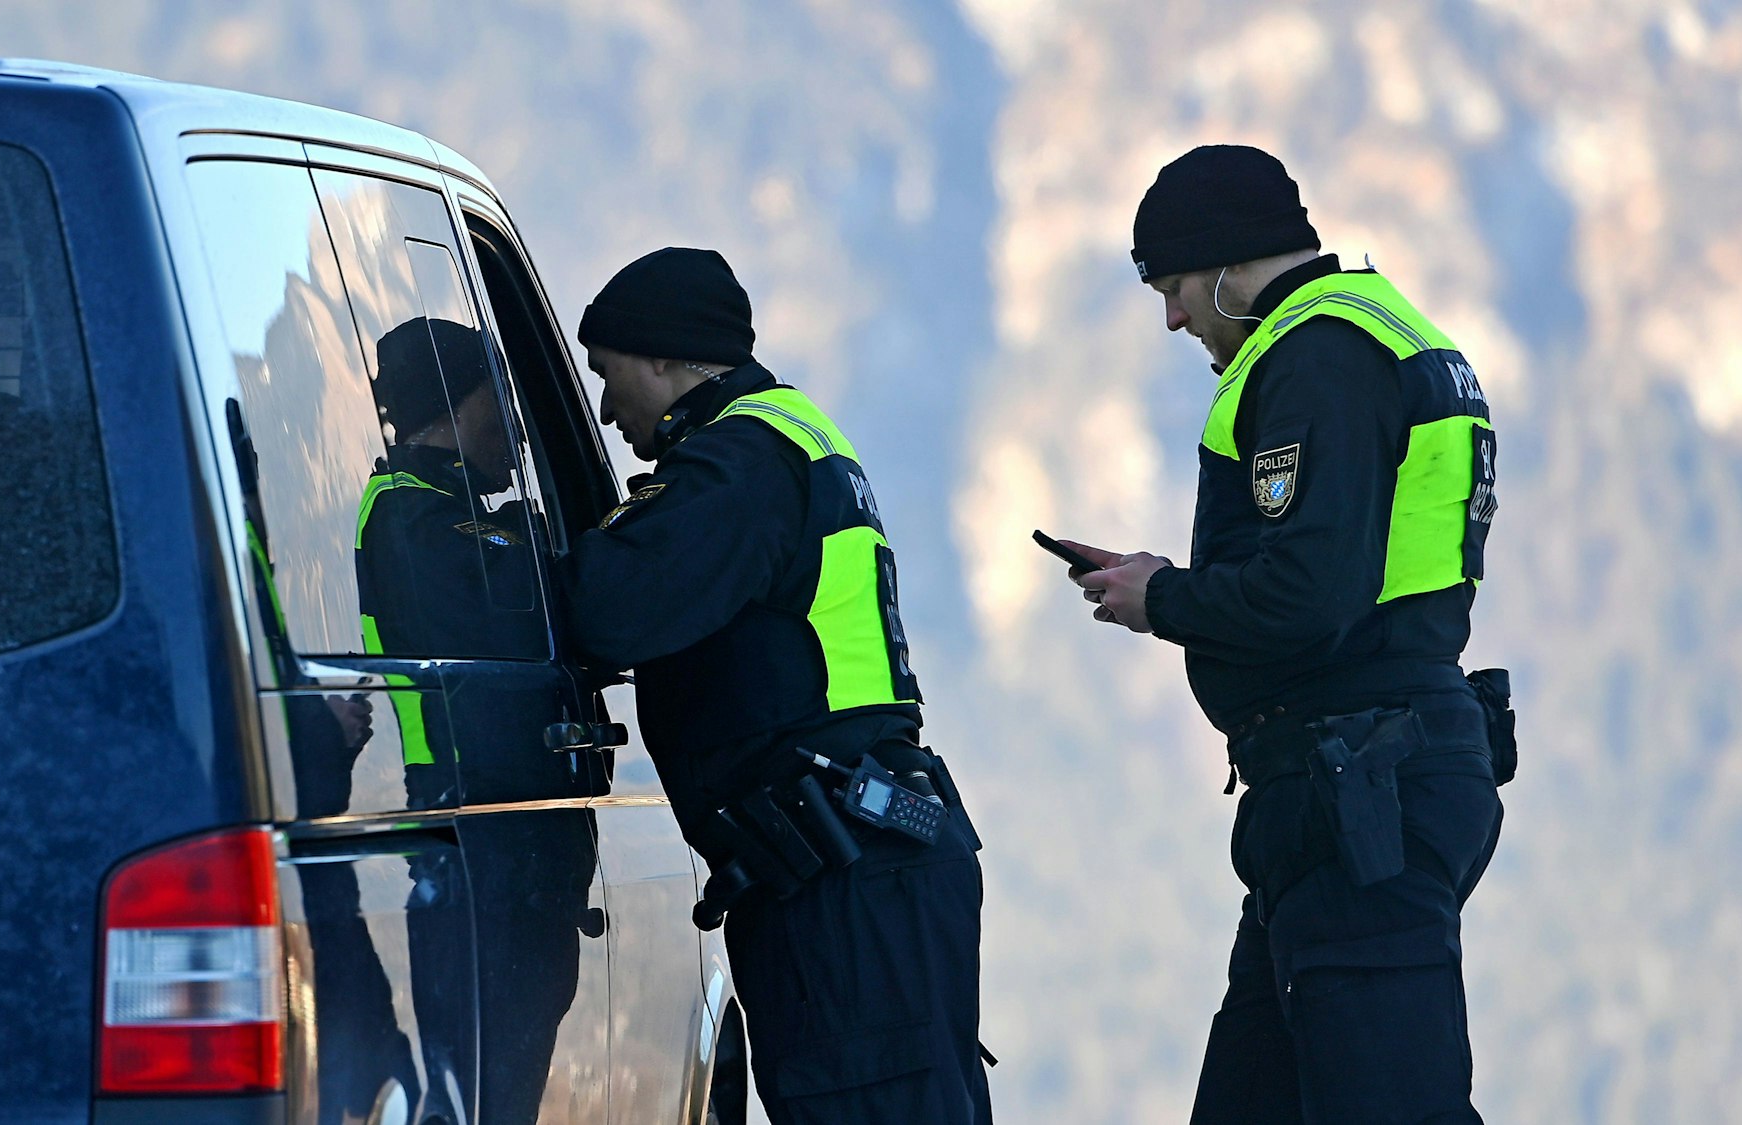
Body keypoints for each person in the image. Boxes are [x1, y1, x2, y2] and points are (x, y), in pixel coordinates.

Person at [1058, 145, 1514, 1123]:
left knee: (1387, 1107)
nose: (1173, 318)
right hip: (1345, 790)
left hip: (1359, 787)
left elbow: (1310, 593)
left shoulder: (1316, 354)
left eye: (1174, 288)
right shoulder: (1372, 331)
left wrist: (1162, 599)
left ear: (1227, 265)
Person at [559, 247, 991, 1124]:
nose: (606, 410)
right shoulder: (792, 436)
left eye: (609, 377)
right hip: (872, 854)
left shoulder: (742, 463)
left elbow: (610, 610)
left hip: (841, 883)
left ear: (664, 358)